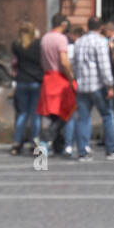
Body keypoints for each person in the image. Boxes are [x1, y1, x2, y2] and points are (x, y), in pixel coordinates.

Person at [72, 16, 114, 160]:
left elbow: (75, 65)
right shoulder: (101, 42)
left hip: (82, 85)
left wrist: (77, 79)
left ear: (87, 26)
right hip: (98, 85)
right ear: (101, 27)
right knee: (108, 115)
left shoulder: (79, 42)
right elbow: (104, 66)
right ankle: (111, 149)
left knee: (83, 118)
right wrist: (110, 85)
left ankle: (82, 151)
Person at [38, 14, 76, 156]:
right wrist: (71, 76)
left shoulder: (45, 38)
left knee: (53, 114)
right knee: (67, 111)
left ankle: (57, 144)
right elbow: (64, 61)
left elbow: (42, 60)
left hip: (48, 76)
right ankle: (47, 137)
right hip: (59, 77)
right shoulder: (61, 39)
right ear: (63, 24)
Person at [10, 20, 43, 154]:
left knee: (22, 113)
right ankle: (35, 142)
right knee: (35, 114)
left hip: (21, 80)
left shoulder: (16, 45)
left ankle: (16, 143)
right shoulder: (38, 44)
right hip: (36, 80)